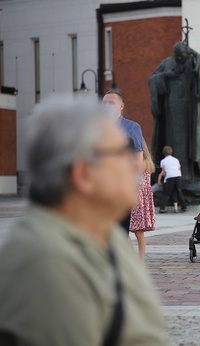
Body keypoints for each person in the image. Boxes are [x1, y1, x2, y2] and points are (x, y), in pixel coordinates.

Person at [0, 96, 168, 345]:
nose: (137, 164)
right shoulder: (48, 260)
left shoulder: (107, 235)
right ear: (83, 173)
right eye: (121, 155)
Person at [149, 41, 200, 181]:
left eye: (183, 55)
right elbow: (153, 78)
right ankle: (177, 177)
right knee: (173, 141)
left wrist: (195, 54)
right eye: (177, 56)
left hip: (190, 111)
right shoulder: (168, 63)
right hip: (171, 110)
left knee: (191, 142)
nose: (180, 59)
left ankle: (190, 175)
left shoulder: (195, 61)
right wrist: (167, 75)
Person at [102, 90, 144, 235]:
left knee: (120, 228)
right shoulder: (96, 126)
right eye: (104, 103)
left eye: (111, 103)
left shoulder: (132, 127)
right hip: (101, 184)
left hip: (122, 184)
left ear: (121, 106)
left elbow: (139, 157)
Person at [130, 140, 156, 262]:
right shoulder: (145, 162)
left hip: (138, 198)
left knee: (138, 233)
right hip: (136, 196)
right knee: (129, 232)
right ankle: (132, 257)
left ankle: (139, 259)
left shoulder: (143, 162)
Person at [157, 145, 187, 213]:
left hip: (170, 177)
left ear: (163, 152)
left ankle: (162, 208)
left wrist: (162, 179)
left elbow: (163, 171)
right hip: (178, 176)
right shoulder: (176, 160)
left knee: (166, 193)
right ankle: (184, 207)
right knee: (179, 191)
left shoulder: (163, 161)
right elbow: (179, 169)